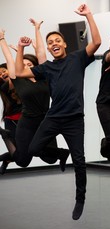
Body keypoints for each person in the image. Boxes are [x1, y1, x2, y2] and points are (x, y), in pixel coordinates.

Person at [14, 4, 101, 220]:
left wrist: (88, 15)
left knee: (80, 161)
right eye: (49, 42)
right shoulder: (46, 68)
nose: (54, 44)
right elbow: (18, 71)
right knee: (34, 148)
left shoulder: (77, 58)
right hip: (53, 117)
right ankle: (61, 153)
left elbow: (97, 42)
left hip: (73, 120)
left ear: (65, 44)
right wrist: (21, 48)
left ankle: (80, 199)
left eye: (57, 41)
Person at [0, 22, 70, 173]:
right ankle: (6, 136)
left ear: (35, 65)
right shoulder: (18, 79)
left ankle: (63, 153)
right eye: (23, 64)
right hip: (28, 122)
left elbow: (41, 53)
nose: (26, 66)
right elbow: (9, 59)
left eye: (29, 63)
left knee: (50, 159)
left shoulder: (44, 75)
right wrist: (2, 40)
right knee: (23, 161)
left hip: (47, 120)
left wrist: (37, 29)